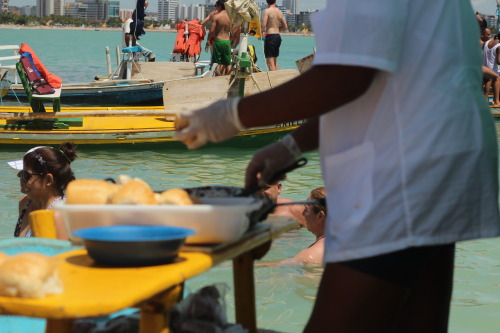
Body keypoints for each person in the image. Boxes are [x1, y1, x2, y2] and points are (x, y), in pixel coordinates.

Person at [174, 1, 500, 332]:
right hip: (445, 150)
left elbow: (346, 77)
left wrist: (232, 115)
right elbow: (372, 79)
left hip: (406, 161)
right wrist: (290, 146)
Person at [8, 143, 78, 239]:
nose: (20, 178)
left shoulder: (61, 215)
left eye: (25, 175)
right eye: (20, 173)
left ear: (48, 180)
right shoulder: (25, 203)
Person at [285, 187, 327, 265]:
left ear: (320, 216)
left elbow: (274, 269)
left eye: (306, 209)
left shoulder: (307, 256)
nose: (303, 214)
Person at [206, 0, 232, 76]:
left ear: (220, 6)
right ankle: (229, 78)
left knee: (217, 63)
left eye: (216, 6)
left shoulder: (216, 17)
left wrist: (208, 41)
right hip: (227, 41)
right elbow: (233, 31)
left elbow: (211, 31)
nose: (216, 8)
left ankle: (218, 78)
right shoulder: (230, 17)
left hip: (218, 41)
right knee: (227, 63)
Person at [261, 0, 287, 71]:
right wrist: (277, 30)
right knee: (275, 61)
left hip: (270, 36)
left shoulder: (267, 11)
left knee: (270, 62)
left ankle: (273, 81)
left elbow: (263, 25)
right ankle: (277, 79)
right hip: (277, 36)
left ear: (267, 1)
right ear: (275, 1)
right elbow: (285, 27)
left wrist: (260, 32)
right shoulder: (279, 12)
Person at [483, 34, 500, 106]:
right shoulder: (499, 46)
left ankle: (485, 100)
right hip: (493, 71)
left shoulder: (487, 42)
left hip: (485, 68)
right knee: (498, 77)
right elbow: (499, 61)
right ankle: (496, 101)